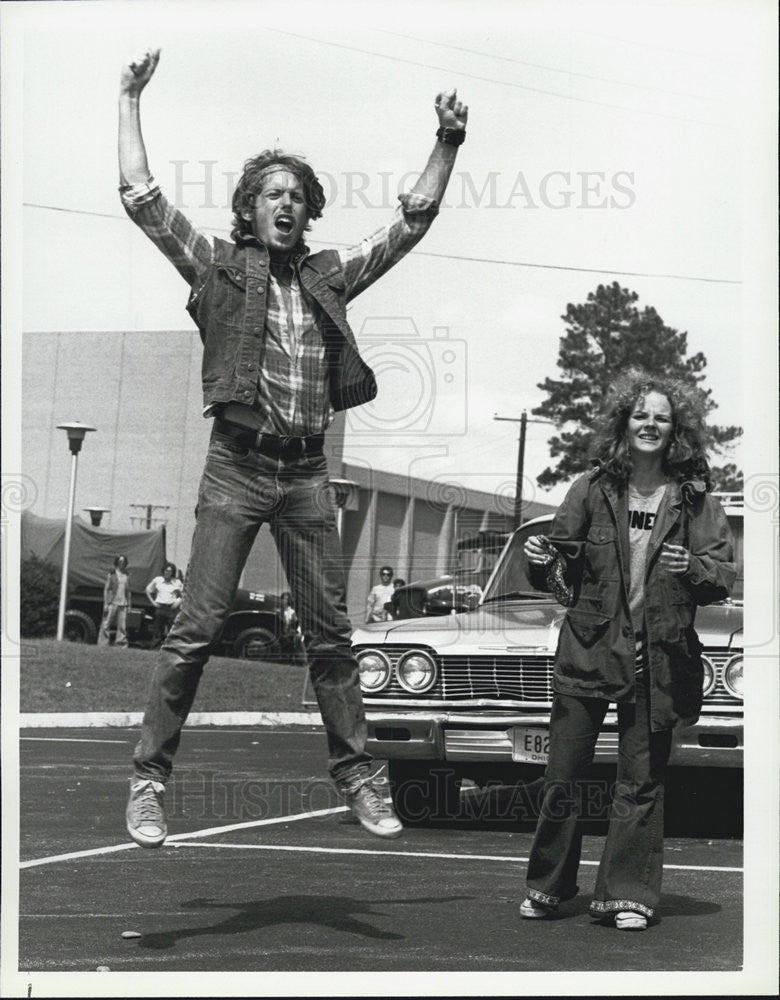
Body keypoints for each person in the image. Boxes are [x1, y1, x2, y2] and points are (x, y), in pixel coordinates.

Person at [118, 47, 468, 848]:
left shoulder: (327, 279)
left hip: (308, 474)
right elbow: (142, 200)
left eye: (297, 196)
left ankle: (361, 781)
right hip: (236, 470)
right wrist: (129, 99)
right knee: (195, 630)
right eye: (271, 193)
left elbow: (407, 227)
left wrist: (445, 146)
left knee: (332, 638)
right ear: (249, 209)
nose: (285, 203)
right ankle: (147, 783)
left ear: (309, 214)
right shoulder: (218, 268)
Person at [520, 370, 735, 931]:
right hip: (588, 649)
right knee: (563, 776)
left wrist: (697, 567)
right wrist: (541, 557)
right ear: (624, 423)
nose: (650, 424)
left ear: (676, 430)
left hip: (658, 659)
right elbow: (555, 564)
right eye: (641, 415)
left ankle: (627, 895)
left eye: (661, 417)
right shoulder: (591, 488)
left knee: (639, 783)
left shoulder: (694, 499)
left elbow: (723, 575)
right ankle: (547, 887)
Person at [145, 562, 183, 648]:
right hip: (160, 607)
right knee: (158, 628)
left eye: (170, 571)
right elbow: (147, 590)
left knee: (171, 629)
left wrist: (177, 603)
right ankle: (155, 647)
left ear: (172, 572)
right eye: (166, 570)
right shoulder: (158, 580)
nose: (168, 573)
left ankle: (170, 647)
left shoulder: (177, 582)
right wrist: (153, 602)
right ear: (163, 571)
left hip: (171, 608)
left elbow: (183, 594)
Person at [98, 555, 131, 648]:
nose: (122, 563)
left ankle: (121, 644)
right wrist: (105, 603)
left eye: (123, 561)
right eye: (120, 561)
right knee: (106, 624)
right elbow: (106, 589)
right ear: (117, 562)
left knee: (122, 626)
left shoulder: (126, 575)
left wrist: (129, 605)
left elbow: (128, 591)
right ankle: (103, 644)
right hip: (112, 603)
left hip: (123, 603)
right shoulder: (111, 574)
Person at [279, 590, 305, 664]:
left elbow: (296, 624)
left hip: (289, 632)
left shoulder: (291, 612)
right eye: (283, 599)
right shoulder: (278, 611)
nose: (284, 601)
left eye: (286, 599)